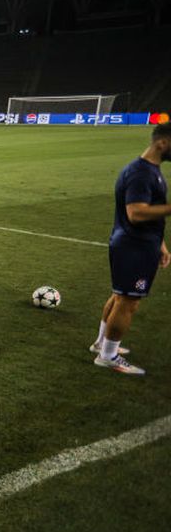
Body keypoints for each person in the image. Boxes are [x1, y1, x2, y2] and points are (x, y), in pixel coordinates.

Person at [90, 122, 171, 375]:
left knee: (119, 296)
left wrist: (160, 243)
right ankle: (108, 356)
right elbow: (136, 213)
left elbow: (147, 214)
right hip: (133, 246)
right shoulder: (142, 173)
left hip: (138, 243)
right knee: (128, 301)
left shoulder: (148, 170)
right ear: (162, 143)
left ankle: (102, 343)